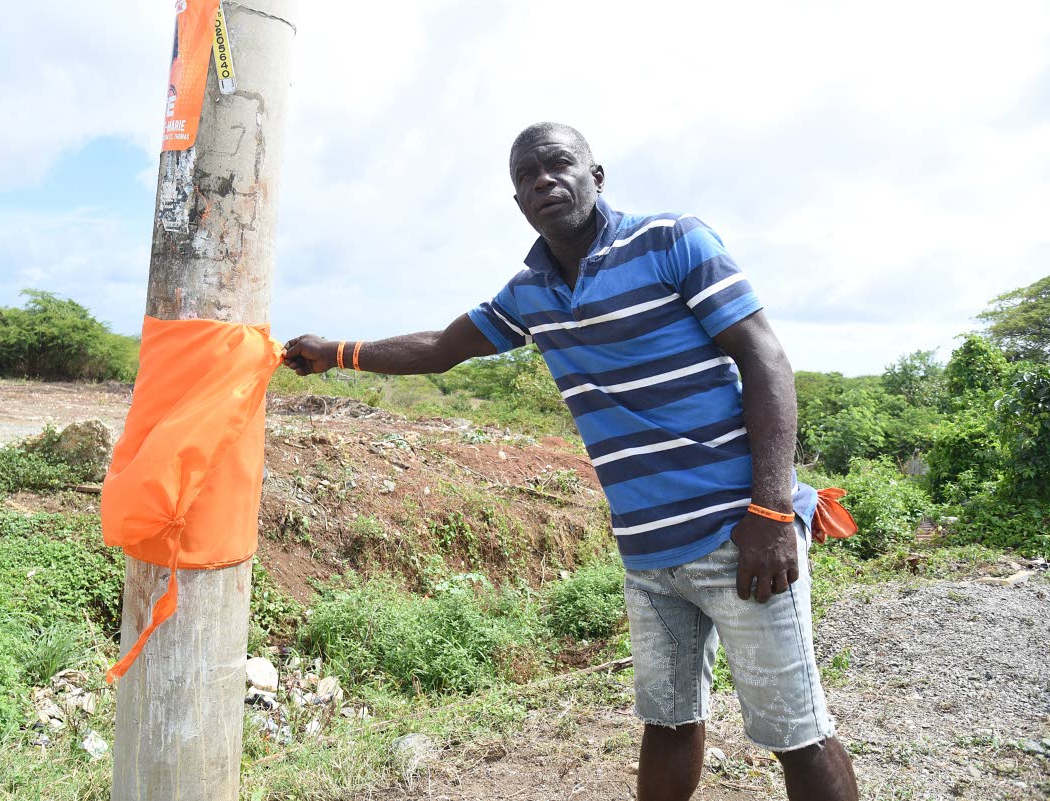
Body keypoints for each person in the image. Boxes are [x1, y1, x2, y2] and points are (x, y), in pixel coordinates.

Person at [283, 122, 859, 801]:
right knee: (668, 722)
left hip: (742, 536)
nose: (541, 181)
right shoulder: (530, 293)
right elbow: (442, 346)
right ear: (518, 199)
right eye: (525, 176)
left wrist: (768, 510)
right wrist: (334, 353)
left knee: (797, 731)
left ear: (597, 175)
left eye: (557, 164)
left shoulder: (672, 240)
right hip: (649, 557)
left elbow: (765, 359)